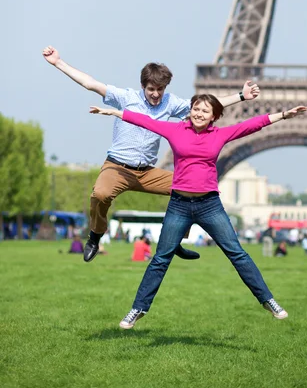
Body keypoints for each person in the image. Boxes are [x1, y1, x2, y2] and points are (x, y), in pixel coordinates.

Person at [90, 95, 307, 328]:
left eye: (205, 111)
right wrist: (115, 113)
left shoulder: (220, 134)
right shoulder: (175, 130)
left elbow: (250, 125)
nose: (199, 113)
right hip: (179, 205)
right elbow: (145, 121)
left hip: (209, 205)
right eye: (195, 109)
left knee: (237, 253)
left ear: (214, 115)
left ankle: (268, 300)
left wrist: (283, 115)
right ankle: (138, 308)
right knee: (160, 259)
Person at [42, 45, 259, 263]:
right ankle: (95, 236)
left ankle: (174, 241)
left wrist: (241, 96)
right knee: (100, 195)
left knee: (190, 188)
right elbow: (90, 84)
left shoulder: (170, 103)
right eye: (151, 89)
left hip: (147, 172)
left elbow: (207, 106)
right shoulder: (125, 98)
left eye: (160, 90)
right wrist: (58, 62)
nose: (155, 95)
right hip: (117, 167)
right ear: (142, 86)